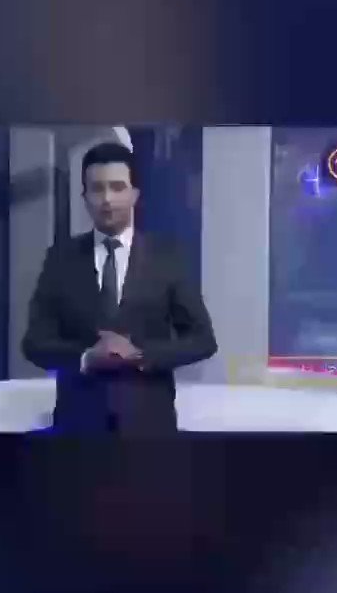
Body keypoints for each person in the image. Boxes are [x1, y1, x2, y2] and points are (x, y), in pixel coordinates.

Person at [22, 141, 217, 435]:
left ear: (134, 194)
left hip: (149, 426)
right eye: (97, 189)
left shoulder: (167, 257)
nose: (107, 199)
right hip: (79, 428)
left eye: (117, 187)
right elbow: (35, 343)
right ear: (84, 197)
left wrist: (139, 354)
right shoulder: (61, 258)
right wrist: (87, 357)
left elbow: (202, 340)